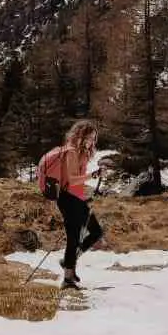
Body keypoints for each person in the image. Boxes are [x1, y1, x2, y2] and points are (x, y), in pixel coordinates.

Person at [54, 120, 104, 289]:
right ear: (80, 136)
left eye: (94, 138)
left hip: (75, 198)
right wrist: (93, 175)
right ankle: (68, 278)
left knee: (95, 231)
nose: (91, 141)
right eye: (89, 137)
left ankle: (69, 262)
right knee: (74, 237)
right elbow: (72, 180)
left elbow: (77, 180)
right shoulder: (71, 152)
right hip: (67, 198)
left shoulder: (81, 153)